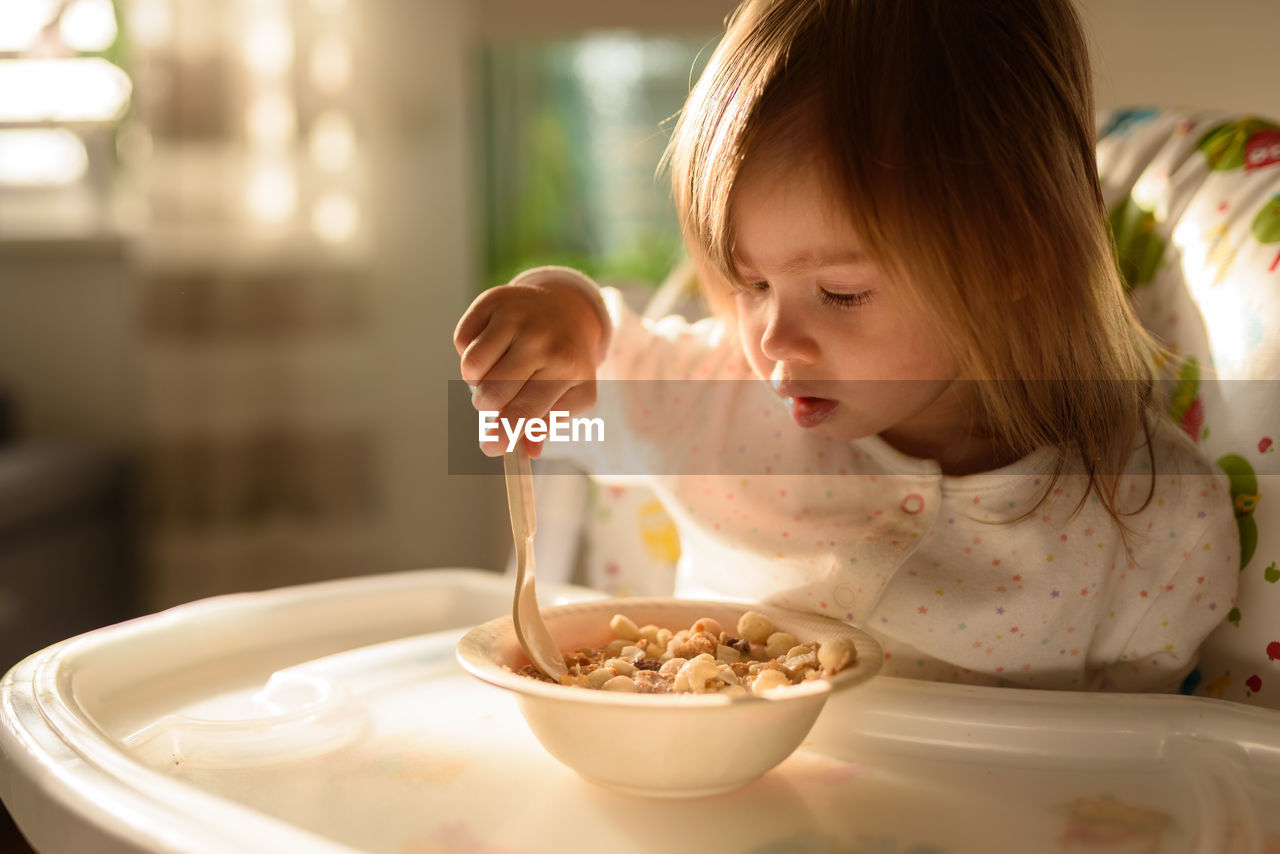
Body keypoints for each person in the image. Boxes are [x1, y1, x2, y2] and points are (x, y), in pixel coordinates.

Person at [454, 0, 1239, 691]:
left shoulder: (1150, 525)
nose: (772, 338)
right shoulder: (718, 404)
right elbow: (591, 376)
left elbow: (1147, 780)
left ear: (1013, 257)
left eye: (840, 293)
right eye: (748, 283)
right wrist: (561, 318)